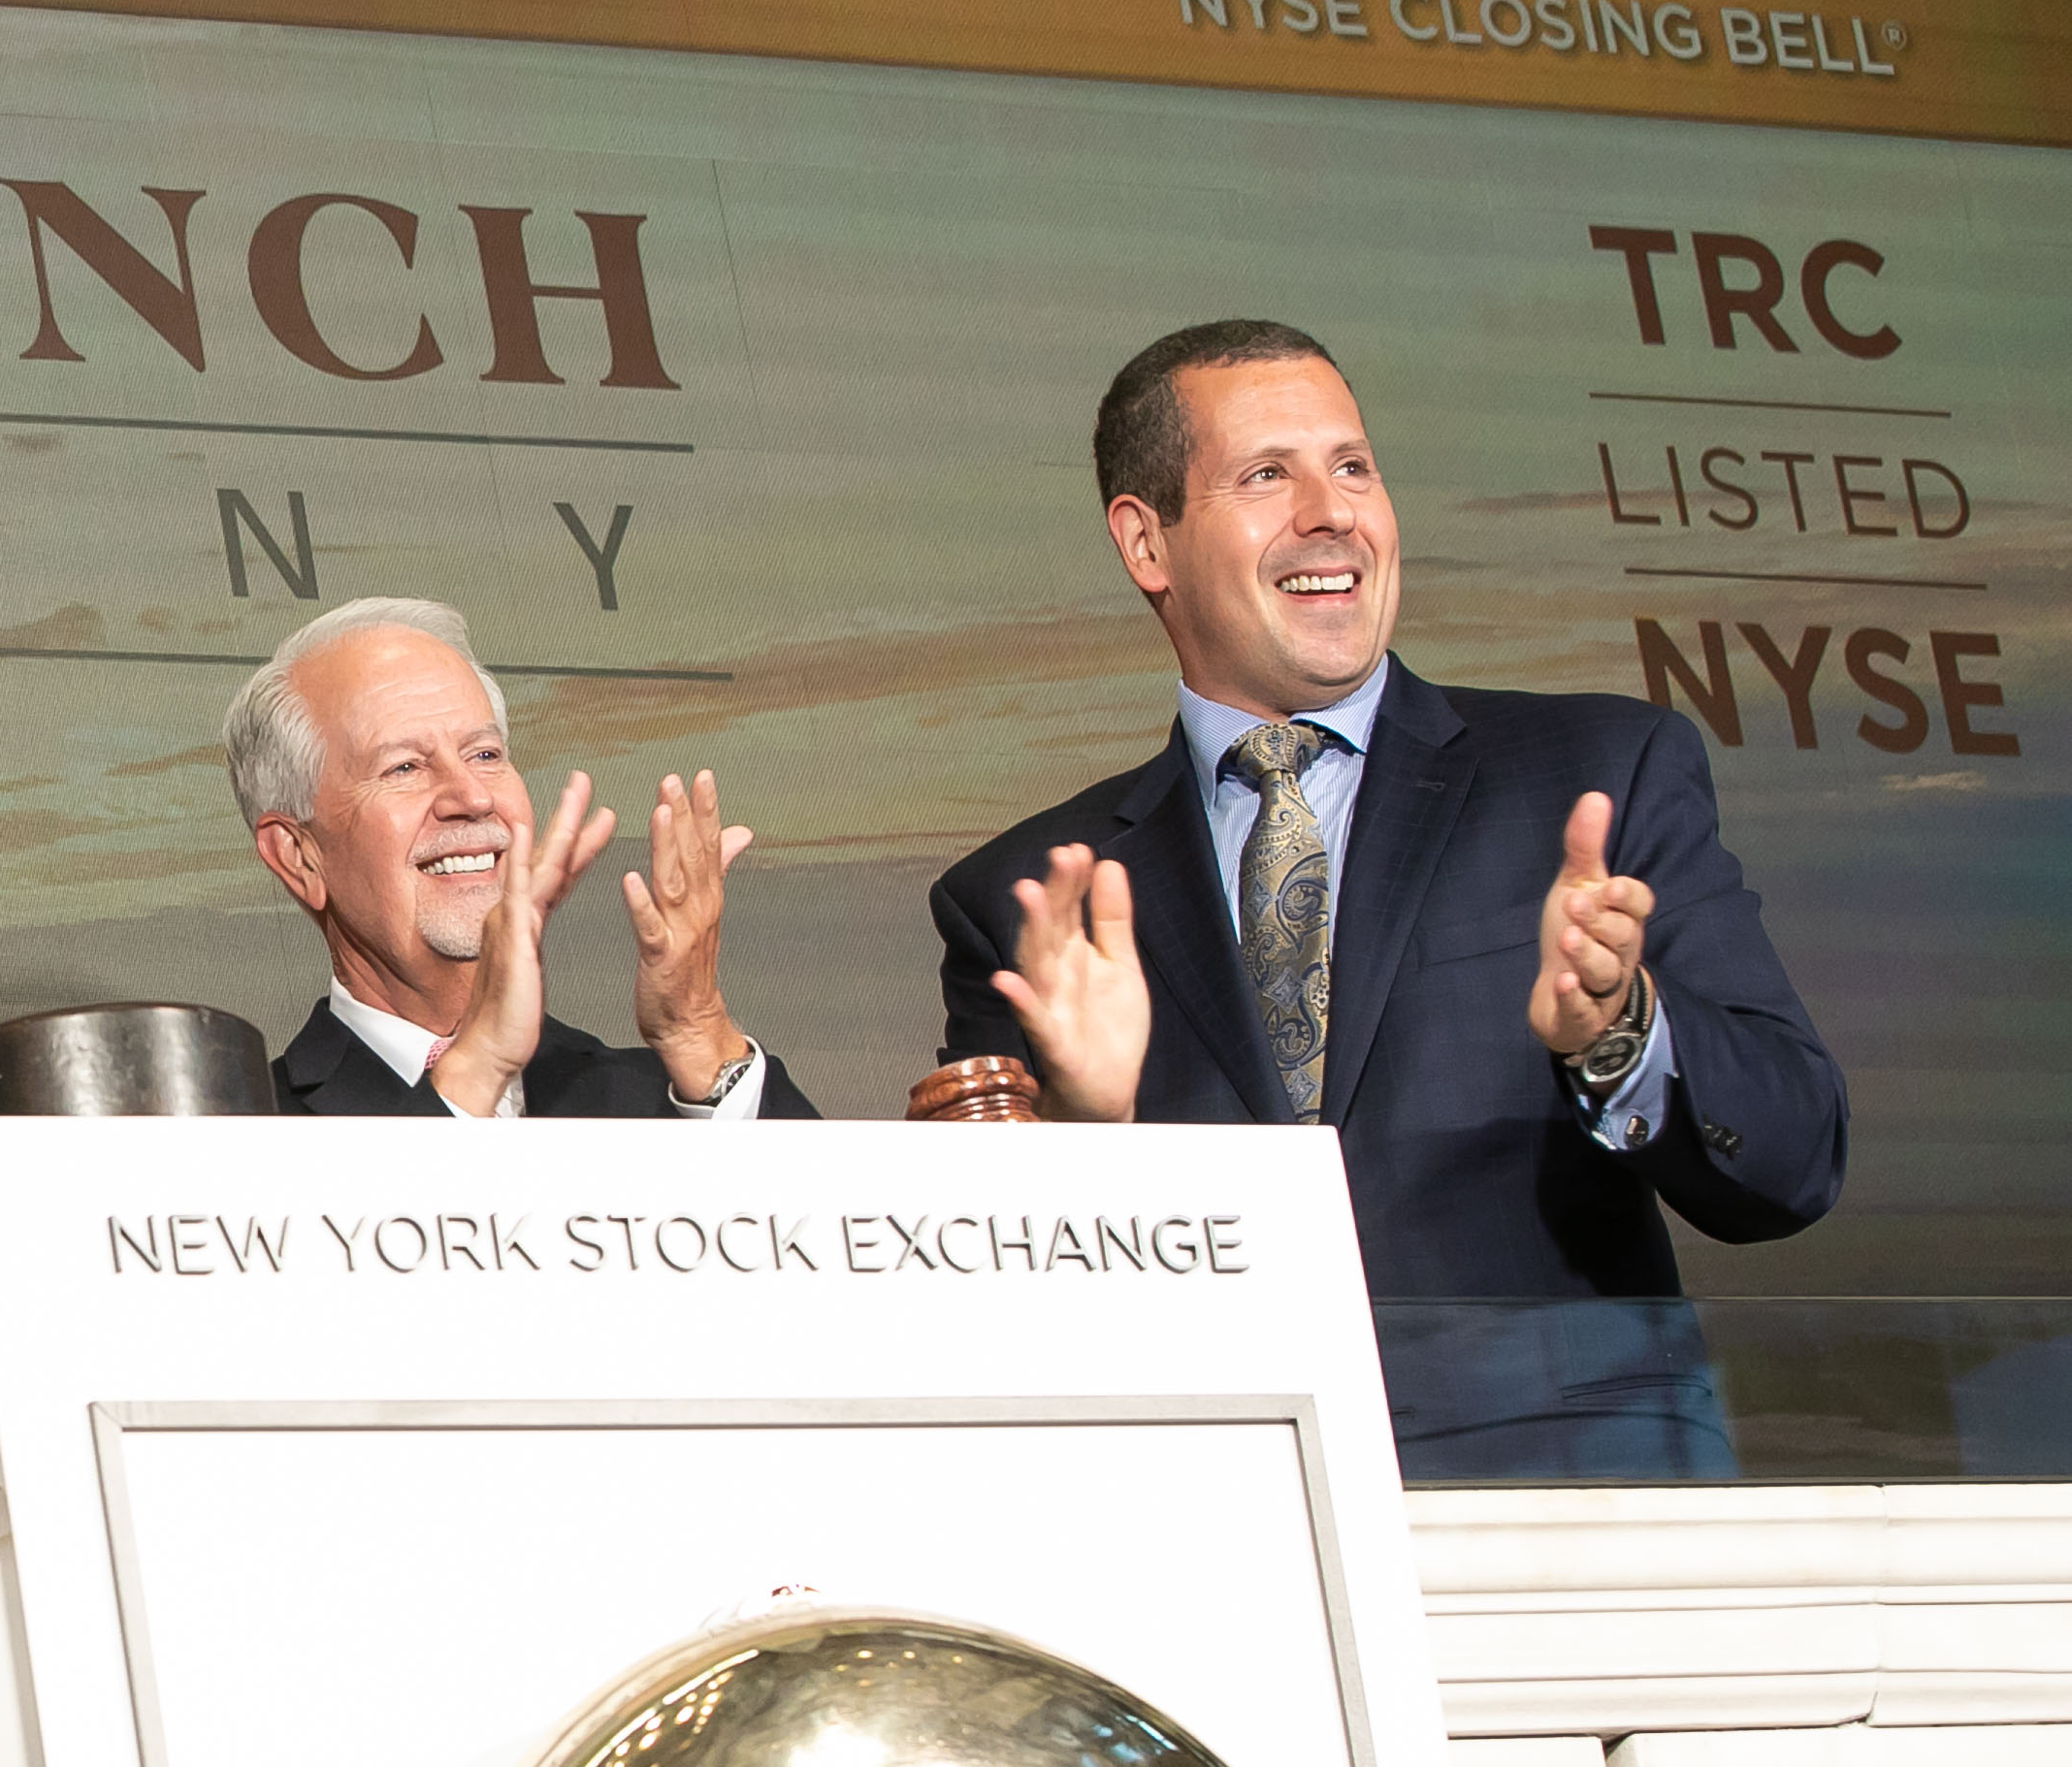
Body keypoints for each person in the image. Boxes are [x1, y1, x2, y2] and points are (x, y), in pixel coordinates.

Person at [931, 320, 1844, 1474]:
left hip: (1570, 1522)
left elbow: (1793, 1160)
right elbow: (1000, 1321)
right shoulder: (1027, 898)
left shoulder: (1598, 775)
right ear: (1145, 542)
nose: (1332, 512)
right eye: (1269, 475)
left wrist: (1624, 1032)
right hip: (1216, 1521)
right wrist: (1086, 1133)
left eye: (1353, 466)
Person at [228, 596, 812, 1122]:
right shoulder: (236, 1135)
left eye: (484, 754)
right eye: (404, 767)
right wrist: (474, 1066)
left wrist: (697, 1031)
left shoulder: (671, 1104)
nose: (474, 798)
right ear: (299, 855)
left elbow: (839, 1235)